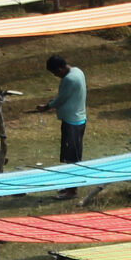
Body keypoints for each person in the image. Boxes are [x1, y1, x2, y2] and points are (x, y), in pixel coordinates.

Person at [36, 54, 87, 200]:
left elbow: (61, 99)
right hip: (78, 119)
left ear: (59, 69)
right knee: (73, 155)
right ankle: (70, 186)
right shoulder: (78, 71)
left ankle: (72, 191)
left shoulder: (69, 79)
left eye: (55, 73)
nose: (56, 76)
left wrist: (46, 106)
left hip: (72, 122)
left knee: (72, 157)